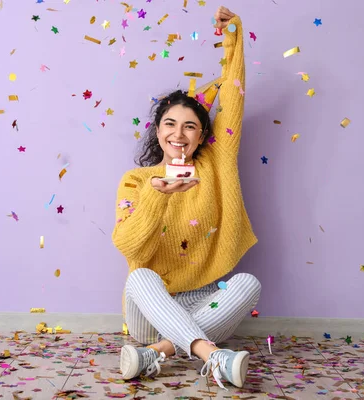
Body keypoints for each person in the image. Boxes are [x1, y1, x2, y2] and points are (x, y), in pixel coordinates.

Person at [111, 6, 260, 390]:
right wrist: (156, 197)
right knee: (139, 276)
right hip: (150, 303)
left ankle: (157, 354)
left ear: (202, 135)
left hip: (204, 296)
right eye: (170, 124)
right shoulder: (136, 180)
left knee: (248, 283)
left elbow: (233, 96)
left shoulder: (216, 162)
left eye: (190, 126)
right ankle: (212, 356)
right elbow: (127, 245)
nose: (179, 134)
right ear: (157, 131)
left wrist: (233, 38)